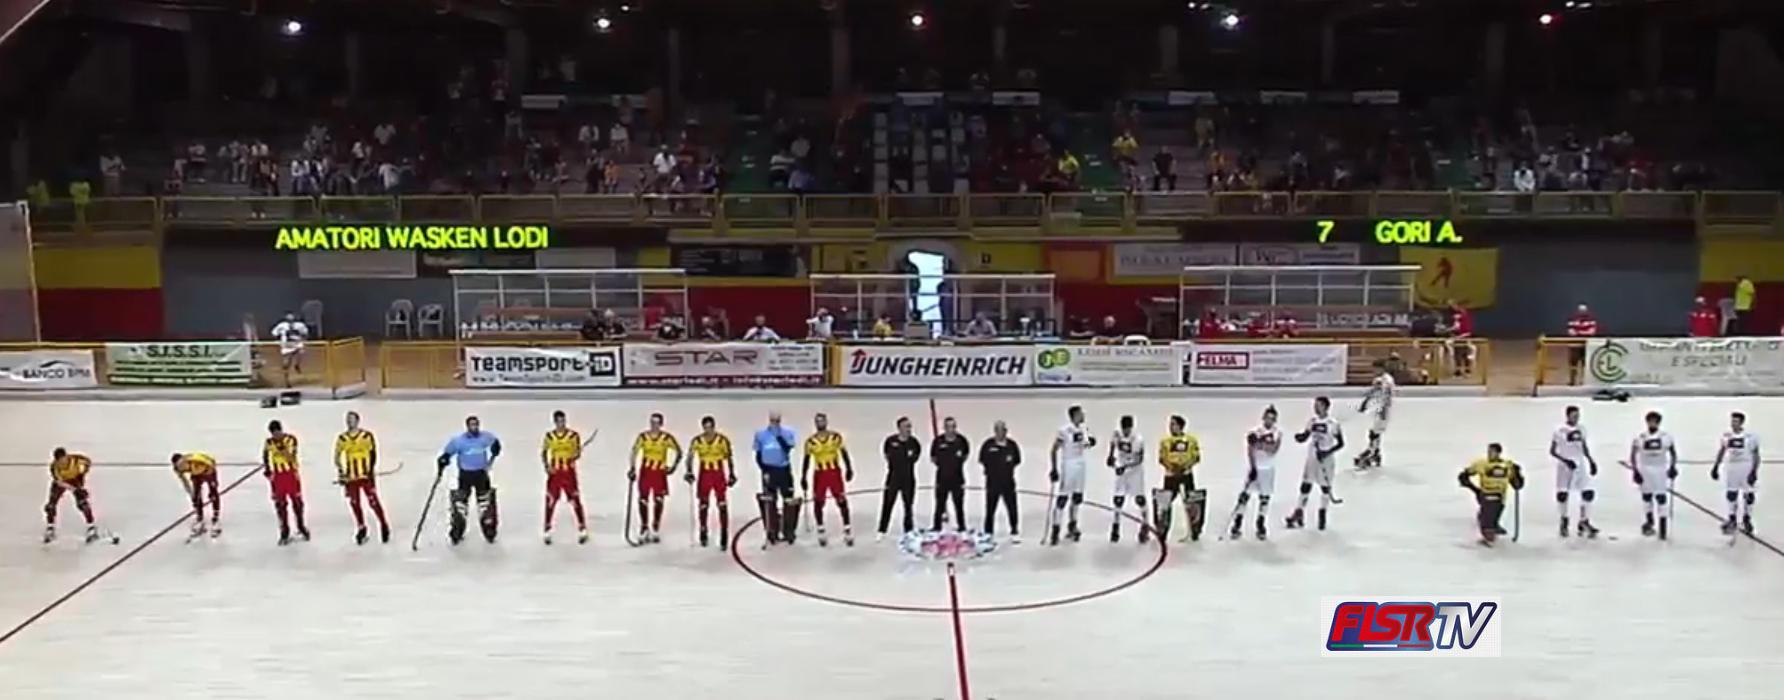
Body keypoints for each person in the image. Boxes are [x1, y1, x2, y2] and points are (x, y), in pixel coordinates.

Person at [437, 416, 502, 545]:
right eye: (472, 425)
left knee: (485, 503)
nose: (474, 427)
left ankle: (489, 530)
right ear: (467, 426)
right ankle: (457, 531)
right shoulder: (459, 441)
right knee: (460, 505)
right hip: (465, 475)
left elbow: (495, 443)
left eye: (476, 424)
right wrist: (443, 460)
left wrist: (495, 450)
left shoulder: (485, 437)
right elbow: (448, 453)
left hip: (481, 474)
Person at [1286, 397, 1345, 531]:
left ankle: (1322, 513)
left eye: (1318, 405)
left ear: (1325, 407)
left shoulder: (1333, 424)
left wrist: (1327, 452)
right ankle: (1299, 511)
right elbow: (1306, 436)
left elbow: (1341, 443)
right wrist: (1300, 437)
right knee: (1306, 484)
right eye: (1315, 405)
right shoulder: (1312, 421)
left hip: (1326, 460)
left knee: (1325, 487)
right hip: (1312, 458)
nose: (1315, 408)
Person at [334, 411, 390, 545]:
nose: (350, 422)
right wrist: (342, 474)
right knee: (355, 503)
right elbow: (337, 457)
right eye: (348, 420)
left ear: (357, 421)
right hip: (351, 477)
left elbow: (373, 453)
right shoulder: (342, 439)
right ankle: (361, 527)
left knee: (373, 501)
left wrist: (370, 470)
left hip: (365, 476)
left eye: (352, 419)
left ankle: (383, 524)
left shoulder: (366, 436)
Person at [801, 413, 855, 546]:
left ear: (826, 422)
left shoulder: (835, 437)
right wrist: (803, 477)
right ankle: (821, 529)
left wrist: (849, 468)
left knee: (841, 500)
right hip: (820, 474)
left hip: (834, 473)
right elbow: (806, 459)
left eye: (822, 421)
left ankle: (847, 529)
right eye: (818, 421)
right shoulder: (811, 442)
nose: (820, 424)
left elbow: (844, 453)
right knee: (818, 502)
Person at [1229, 406, 1281, 541]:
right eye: (1267, 418)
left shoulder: (1277, 433)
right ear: (1263, 418)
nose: (1269, 421)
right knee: (1245, 496)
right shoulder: (1255, 432)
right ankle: (1238, 522)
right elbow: (1250, 449)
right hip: (1256, 467)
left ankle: (1260, 522)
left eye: (1272, 419)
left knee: (1264, 498)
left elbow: (1273, 450)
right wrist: (1252, 467)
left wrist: (1260, 444)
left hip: (1268, 469)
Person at [1458, 443, 1524, 546]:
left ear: (1499, 453)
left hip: (1500, 497)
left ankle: (1491, 530)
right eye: (1489, 451)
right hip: (1485, 494)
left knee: (1491, 517)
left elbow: (1517, 485)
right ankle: (1488, 534)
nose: (1490, 454)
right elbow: (1463, 476)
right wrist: (1475, 490)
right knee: (1487, 520)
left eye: (1493, 452)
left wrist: (1518, 475)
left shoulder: (1507, 465)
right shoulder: (1481, 464)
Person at [629, 413, 682, 544]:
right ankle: (644, 527)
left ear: (661, 424)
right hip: (646, 472)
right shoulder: (643, 437)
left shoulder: (666, 438)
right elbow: (634, 452)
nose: (654, 426)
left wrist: (673, 467)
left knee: (658, 500)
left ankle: (655, 526)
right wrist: (632, 468)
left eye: (657, 423)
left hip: (659, 472)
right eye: (652, 422)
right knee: (643, 500)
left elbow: (679, 452)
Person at [1549, 405, 1600, 539]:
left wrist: (1591, 460)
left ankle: (1584, 520)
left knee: (1588, 492)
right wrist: (1565, 460)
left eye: (1578, 416)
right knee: (1563, 494)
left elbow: (1584, 446)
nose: (1576, 418)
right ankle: (1564, 520)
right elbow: (1552, 451)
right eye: (1574, 416)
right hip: (1565, 465)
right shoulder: (1559, 430)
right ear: (1568, 416)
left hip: (1580, 463)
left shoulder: (1581, 429)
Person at [1048, 405, 1097, 545]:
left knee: (1077, 497)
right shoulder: (1064, 430)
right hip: (1069, 465)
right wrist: (1054, 468)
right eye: (1081, 414)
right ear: (1074, 415)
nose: (1083, 416)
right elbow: (1054, 449)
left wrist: (1091, 442)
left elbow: (1085, 443)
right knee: (1063, 498)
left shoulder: (1083, 429)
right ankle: (1055, 528)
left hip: (1081, 465)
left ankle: (1072, 525)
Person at [685, 416, 736, 548]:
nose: (708, 430)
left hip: (718, 473)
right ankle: (703, 529)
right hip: (705, 473)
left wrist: (731, 474)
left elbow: (729, 458)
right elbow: (690, 457)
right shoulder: (697, 441)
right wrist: (689, 471)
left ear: (713, 427)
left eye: (710, 427)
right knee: (703, 504)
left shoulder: (722, 440)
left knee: (722, 504)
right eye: (705, 428)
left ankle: (724, 532)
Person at [542, 410, 592, 545]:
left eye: (563, 421)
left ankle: (582, 528)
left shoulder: (573, 436)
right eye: (559, 421)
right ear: (555, 422)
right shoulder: (549, 436)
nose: (561, 424)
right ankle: (547, 529)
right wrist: (547, 466)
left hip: (568, 473)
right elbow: (544, 452)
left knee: (575, 499)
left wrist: (575, 455)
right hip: (555, 473)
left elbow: (577, 453)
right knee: (551, 500)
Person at [1628, 411, 1678, 540]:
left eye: (1654, 421)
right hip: (1645, 469)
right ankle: (1649, 522)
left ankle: (1663, 527)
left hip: (1660, 469)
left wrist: (1673, 467)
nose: (1652, 424)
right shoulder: (1640, 437)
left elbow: (1673, 453)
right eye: (1650, 421)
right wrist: (1635, 471)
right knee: (1647, 496)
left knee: (1661, 497)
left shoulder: (1665, 437)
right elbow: (1633, 454)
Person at [1711, 411, 1761, 536]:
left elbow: (1756, 455)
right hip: (1732, 467)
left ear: (1742, 422)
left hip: (1746, 467)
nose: (1733, 424)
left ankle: (1747, 518)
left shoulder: (1750, 437)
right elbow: (1722, 451)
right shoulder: (1726, 436)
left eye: (1736, 421)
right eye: (1732, 421)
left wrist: (1754, 471)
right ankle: (1732, 517)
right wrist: (1716, 467)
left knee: (1749, 494)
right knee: (1731, 493)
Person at [753, 412, 799, 545]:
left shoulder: (788, 432)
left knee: (788, 499)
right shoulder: (760, 434)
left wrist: (779, 437)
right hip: (769, 470)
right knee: (770, 500)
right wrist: (764, 470)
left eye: (777, 420)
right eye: (773, 420)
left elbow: (787, 449)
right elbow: (758, 454)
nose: (775, 423)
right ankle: (772, 530)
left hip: (783, 469)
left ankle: (789, 530)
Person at [261, 420, 310, 545]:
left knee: (297, 503)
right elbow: (265, 456)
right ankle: (284, 531)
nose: (276, 436)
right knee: (280, 505)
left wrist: (283, 449)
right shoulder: (269, 442)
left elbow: (292, 456)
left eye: (277, 433)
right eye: (273, 434)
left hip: (291, 475)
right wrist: (268, 471)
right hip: (278, 477)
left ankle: (301, 526)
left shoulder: (291, 439)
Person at [877, 417, 922, 540]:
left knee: (908, 506)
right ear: (899, 428)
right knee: (888, 503)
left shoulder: (914, 443)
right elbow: (887, 456)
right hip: (893, 478)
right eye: (906, 426)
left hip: (908, 478)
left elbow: (915, 458)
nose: (909, 429)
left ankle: (908, 530)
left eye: (909, 426)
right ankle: (882, 530)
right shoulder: (890, 441)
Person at [1106, 415, 1148, 543]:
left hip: (1135, 471)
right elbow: (1113, 443)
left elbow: (1139, 459)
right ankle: (1115, 526)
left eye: (1127, 429)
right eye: (1123, 429)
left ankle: (1145, 524)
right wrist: (1110, 456)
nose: (1125, 431)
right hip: (1122, 468)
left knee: (1139, 499)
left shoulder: (1138, 440)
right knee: (1118, 499)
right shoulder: (1117, 434)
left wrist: (1125, 467)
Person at [43, 448, 99, 544]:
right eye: (59, 462)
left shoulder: (77, 460)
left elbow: (87, 462)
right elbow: (59, 482)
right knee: (51, 505)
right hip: (63, 482)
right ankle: (50, 527)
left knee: (83, 503)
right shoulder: (54, 468)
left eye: (63, 460)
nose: (62, 463)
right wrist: (75, 490)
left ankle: (91, 526)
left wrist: (81, 478)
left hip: (75, 479)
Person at [978, 421, 1022, 541]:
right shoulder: (988, 445)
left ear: (1005, 431)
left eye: (1002, 430)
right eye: (997, 430)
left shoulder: (1012, 445)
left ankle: (1014, 530)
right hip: (992, 482)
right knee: (990, 508)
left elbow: (1017, 460)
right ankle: (988, 532)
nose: (1000, 432)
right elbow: (982, 460)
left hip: (1008, 482)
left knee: (1012, 507)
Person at [930, 417, 971, 531]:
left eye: (953, 426)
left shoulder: (962, 441)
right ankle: (937, 526)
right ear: (944, 427)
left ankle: (962, 526)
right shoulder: (938, 441)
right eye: (948, 426)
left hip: (957, 478)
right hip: (942, 478)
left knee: (959, 505)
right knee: (939, 505)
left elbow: (965, 456)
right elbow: (933, 458)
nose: (951, 429)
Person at [1354, 362, 1395, 470]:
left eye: (1376, 369)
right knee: (1375, 431)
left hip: (1383, 409)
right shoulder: (1379, 380)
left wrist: (1384, 409)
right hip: (1377, 408)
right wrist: (1365, 403)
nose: (1374, 371)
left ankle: (1372, 452)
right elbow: (1373, 392)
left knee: (1375, 433)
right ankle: (1375, 452)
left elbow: (1387, 395)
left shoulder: (1386, 380)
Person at [172, 451, 221, 539]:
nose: (182, 467)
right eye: (179, 466)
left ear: (185, 460)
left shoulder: (196, 459)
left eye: (182, 464)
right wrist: (192, 494)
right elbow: (185, 482)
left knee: (213, 494)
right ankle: (200, 518)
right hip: (196, 475)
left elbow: (212, 464)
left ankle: (215, 518)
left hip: (207, 471)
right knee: (197, 496)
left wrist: (212, 483)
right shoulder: (177, 469)